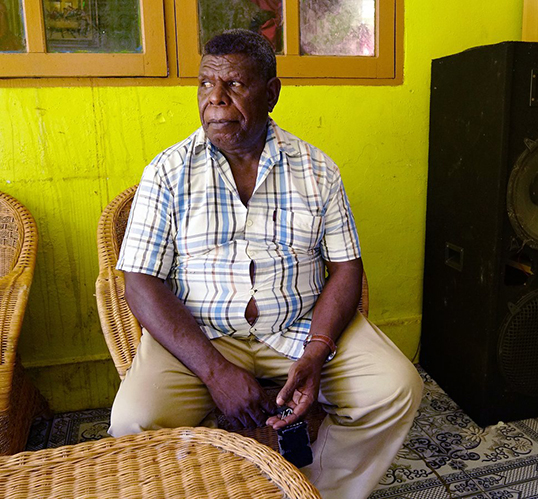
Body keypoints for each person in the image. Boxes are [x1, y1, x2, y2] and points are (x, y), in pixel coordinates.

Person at [108, 28, 423, 499]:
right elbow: (140, 283)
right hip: (202, 337)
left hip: (299, 329)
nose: (214, 100)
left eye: (233, 85)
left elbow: (346, 268)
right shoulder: (167, 173)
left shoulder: (318, 170)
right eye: (204, 84)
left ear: (272, 93)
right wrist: (215, 372)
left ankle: (320, 491)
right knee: (134, 420)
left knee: (396, 389)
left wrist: (317, 352)